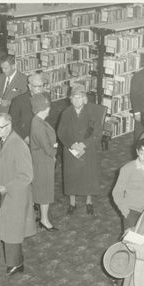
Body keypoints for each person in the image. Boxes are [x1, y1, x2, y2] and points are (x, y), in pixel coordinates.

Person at [0, 113, 36, 275]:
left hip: (15, 194)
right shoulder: (3, 141)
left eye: (0, 127)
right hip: (5, 191)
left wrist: (6, 188)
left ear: (9, 125)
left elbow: (26, 175)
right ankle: (14, 260)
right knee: (7, 229)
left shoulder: (18, 145)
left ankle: (15, 264)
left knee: (12, 232)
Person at [57, 86, 105, 216]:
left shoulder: (92, 112)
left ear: (85, 99)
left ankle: (89, 201)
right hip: (71, 150)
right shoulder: (66, 113)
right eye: (74, 97)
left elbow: (97, 132)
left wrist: (84, 144)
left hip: (88, 149)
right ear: (70, 99)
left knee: (88, 175)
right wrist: (72, 145)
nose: (77, 100)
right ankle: (72, 203)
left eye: (80, 97)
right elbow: (61, 132)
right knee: (71, 177)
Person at [112, 137, 144, 231]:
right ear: (137, 152)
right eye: (142, 153)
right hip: (132, 211)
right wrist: (125, 212)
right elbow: (117, 192)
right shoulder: (127, 169)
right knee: (132, 241)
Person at [29, 93, 58, 231]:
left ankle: (41, 218)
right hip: (43, 161)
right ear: (43, 108)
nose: (49, 108)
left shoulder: (37, 120)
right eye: (47, 106)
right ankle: (45, 220)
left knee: (40, 189)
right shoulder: (39, 125)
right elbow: (47, 147)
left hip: (40, 159)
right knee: (45, 191)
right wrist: (54, 152)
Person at [9, 73, 46, 144]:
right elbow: (12, 123)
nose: (39, 89)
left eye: (41, 86)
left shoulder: (46, 98)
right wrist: (24, 137)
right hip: (25, 139)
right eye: (35, 86)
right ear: (29, 86)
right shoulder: (18, 101)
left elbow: (48, 119)